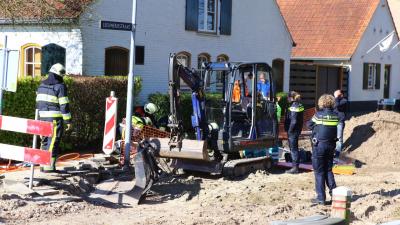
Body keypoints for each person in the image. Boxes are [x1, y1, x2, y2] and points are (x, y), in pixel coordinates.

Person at [36, 63, 71, 172]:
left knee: (44, 141)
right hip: (54, 119)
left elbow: (38, 103)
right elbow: (64, 104)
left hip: (42, 118)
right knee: (53, 142)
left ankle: (42, 165)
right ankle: (49, 167)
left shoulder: (41, 85)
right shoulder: (60, 86)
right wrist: (68, 121)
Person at [307, 94, 339, 205]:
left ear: (321, 103)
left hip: (319, 147)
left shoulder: (318, 115)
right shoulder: (336, 116)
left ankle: (321, 198)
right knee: (329, 170)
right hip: (331, 146)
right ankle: (335, 196)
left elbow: (309, 125)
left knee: (319, 172)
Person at [284, 91, 304, 174]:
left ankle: (295, 168)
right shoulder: (299, 105)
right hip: (297, 129)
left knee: (293, 149)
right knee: (294, 148)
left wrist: (289, 130)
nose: (287, 99)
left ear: (291, 97)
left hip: (293, 131)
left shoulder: (294, 106)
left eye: (287, 97)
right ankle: (295, 166)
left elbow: (294, 121)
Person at [334, 90, 347, 158]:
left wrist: (336, 97)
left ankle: (337, 154)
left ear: (341, 95)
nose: (335, 97)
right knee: (333, 137)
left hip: (340, 122)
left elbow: (337, 105)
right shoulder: (335, 100)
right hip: (333, 121)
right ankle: (334, 150)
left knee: (339, 138)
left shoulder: (344, 101)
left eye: (337, 95)